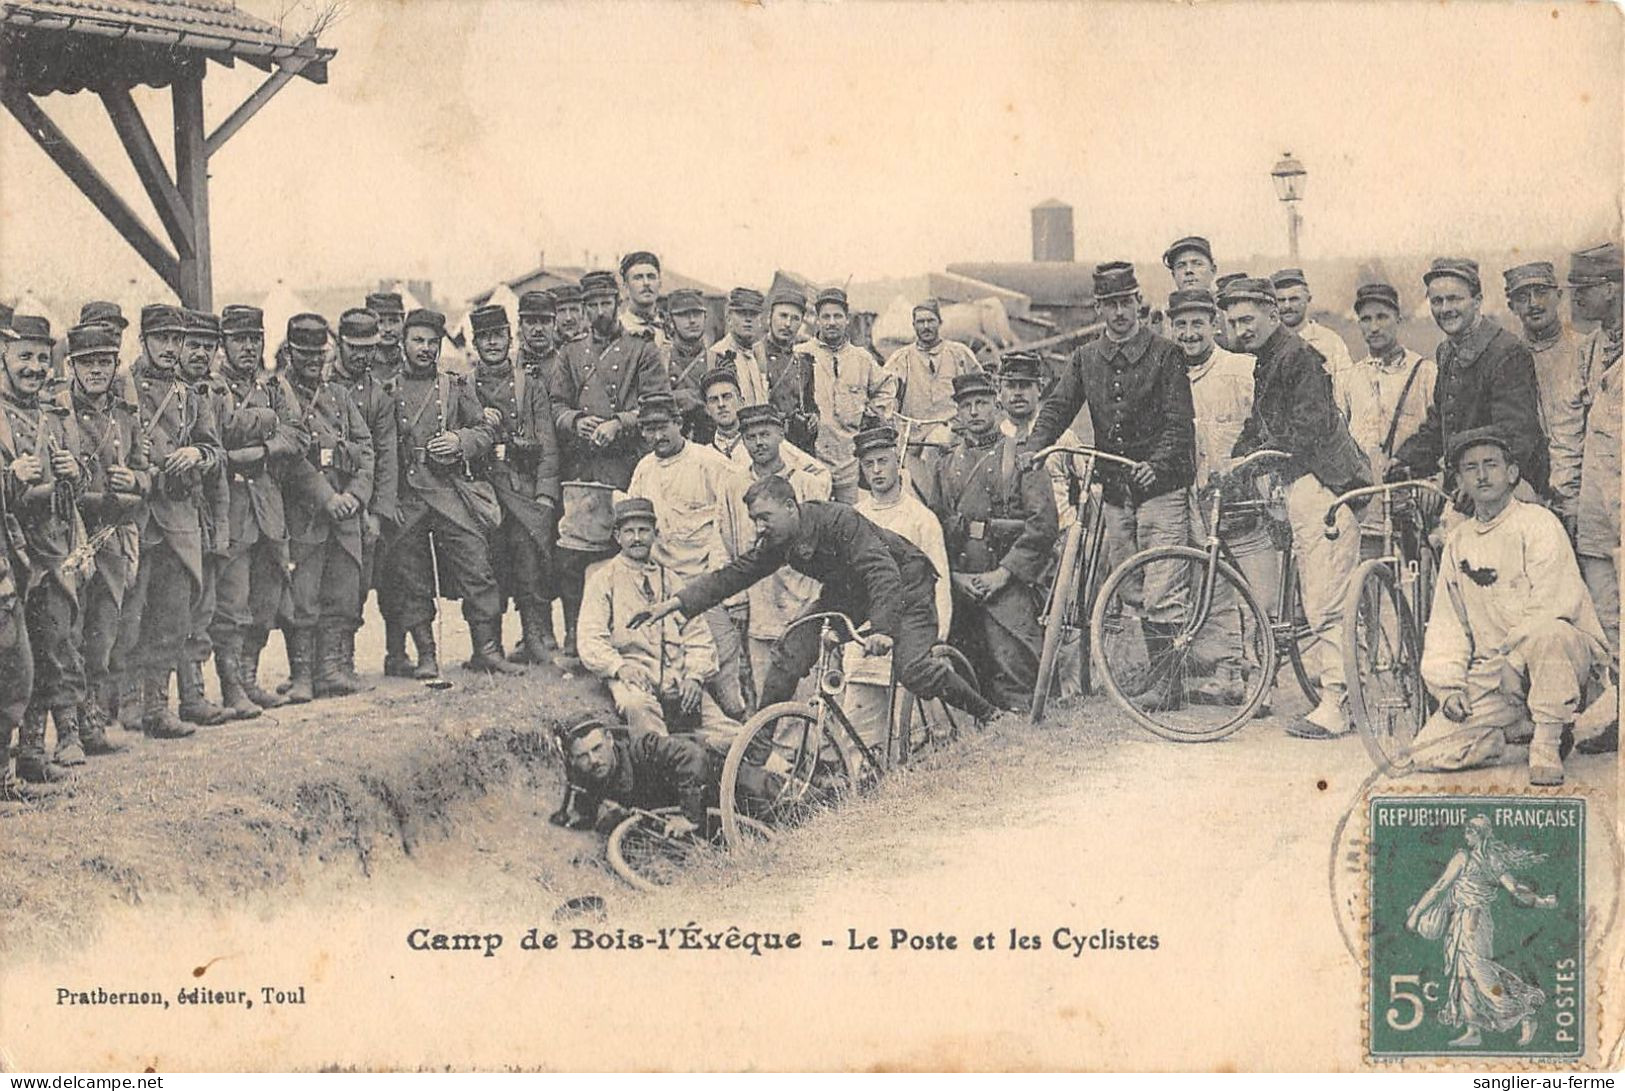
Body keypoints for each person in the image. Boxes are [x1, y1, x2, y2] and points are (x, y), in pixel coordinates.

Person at [633, 475, 998, 721]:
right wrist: (677, 602)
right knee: (789, 653)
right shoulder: (778, 539)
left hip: (905, 586)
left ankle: (986, 713)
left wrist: (883, 629)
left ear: (791, 507)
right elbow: (735, 574)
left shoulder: (839, 520)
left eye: (764, 517)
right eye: (754, 520)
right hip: (850, 595)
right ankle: (758, 744)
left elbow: (882, 572)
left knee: (913, 670)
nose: (759, 527)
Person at [1029, 261, 1196, 710]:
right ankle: (1160, 673)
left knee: (1164, 584)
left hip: (1161, 490)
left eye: (1126, 302)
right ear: (1098, 309)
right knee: (1132, 586)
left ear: (1139, 303)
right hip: (1117, 493)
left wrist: (1158, 465)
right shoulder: (1086, 359)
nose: (1120, 312)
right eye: (1110, 304)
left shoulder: (1166, 355)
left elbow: (1180, 426)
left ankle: (1168, 684)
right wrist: (1035, 446)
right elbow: (1058, 407)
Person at [1220, 276, 1371, 739]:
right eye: (1232, 322)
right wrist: (1234, 465)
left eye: (1248, 319)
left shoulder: (1299, 357)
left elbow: (1307, 427)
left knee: (1325, 599)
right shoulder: (1269, 360)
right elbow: (1258, 424)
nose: (1240, 328)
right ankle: (1339, 692)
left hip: (1326, 486)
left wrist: (1257, 458)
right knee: (1317, 593)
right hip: (1300, 486)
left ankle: (1337, 703)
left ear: (1272, 313)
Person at [1412, 427, 1606, 786]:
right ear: (1460, 481)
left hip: (1555, 662)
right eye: (1471, 468)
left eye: (1491, 464)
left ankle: (1547, 741)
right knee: (1428, 753)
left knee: (1550, 634)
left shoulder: (1538, 523)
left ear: (1512, 473)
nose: (1482, 475)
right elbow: (1449, 622)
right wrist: (1450, 687)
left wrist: (1515, 661)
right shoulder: (1459, 541)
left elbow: (1554, 603)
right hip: (1494, 676)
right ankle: (1519, 737)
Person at [547, 270, 670, 667]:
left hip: (625, 466)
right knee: (573, 558)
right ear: (583, 310)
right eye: (592, 305)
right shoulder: (569, 354)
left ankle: (626, 638)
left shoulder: (642, 350)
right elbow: (555, 405)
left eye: (606, 303)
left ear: (618, 303)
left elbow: (656, 404)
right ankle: (574, 637)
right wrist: (573, 420)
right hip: (583, 470)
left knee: (624, 553)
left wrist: (621, 422)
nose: (600, 312)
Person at [388, 307, 513, 676]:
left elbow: (485, 432)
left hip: (451, 492)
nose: (425, 349)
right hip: (409, 496)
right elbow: (381, 450)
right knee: (411, 576)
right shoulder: (388, 391)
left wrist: (459, 441)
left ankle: (486, 650)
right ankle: (426, 654)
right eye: (418, 341)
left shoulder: (454, 386)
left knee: (476, 565)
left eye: (432, 342)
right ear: (403, 343)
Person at [119, 304, 224, 739]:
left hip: (179, 519)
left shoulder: (189, 394)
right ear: (144, 341)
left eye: (176, 340)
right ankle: (124, 702)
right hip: (137, 516)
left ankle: (157, 708)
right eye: (161, 338)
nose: (170, 348)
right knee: (127, 615)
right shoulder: (120, 387)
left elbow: (214, 451)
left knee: (173, 615)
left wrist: (197, 454)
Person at [924, 371, 1057, 711]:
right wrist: (954, 577)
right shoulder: (945, 465)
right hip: (963, 580)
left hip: (1010, 579)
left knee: (1017, 668)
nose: (973, 412)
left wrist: (1003, 574)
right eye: (966, 405)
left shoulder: (1022, 456)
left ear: (997, 407)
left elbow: (1042, 525)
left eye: (981, 403)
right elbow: (934, 527)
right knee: (961, 664)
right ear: (957, 413)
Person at [1166, 288, 1271, 707]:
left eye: (1197, 324)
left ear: (1215, 325)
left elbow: (1264, 424)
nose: (1190, 334)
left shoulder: (1242, 368)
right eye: (1181, 325)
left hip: (1244, 495)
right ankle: (1229, 673)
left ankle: (1264, 677)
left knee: (1256, 589)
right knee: (1214, 585)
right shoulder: (1169, 373)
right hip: (1195, 496)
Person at [627, 392, 750, 720]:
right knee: (677, 671)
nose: (657, 436)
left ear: (680, 424)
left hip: (707, 585)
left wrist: (726, 582)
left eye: (663, 426)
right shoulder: (644, 469)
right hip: (666, 588)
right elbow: (635, 526)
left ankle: (744, 735)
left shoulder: (709, 463)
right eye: (649, 429)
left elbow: (734, 519)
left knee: (725, 671)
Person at [209, 304, 306, 717]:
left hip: (267, 501)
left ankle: (249, 679)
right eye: (238, 339)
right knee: (232, 602)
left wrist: (263, 448)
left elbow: (297, 434)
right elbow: (221, 430)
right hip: (230, 504)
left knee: (267, 598)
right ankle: (231, 688)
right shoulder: (211, 388)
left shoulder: (273, 386)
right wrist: (265, 422)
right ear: (223, 344)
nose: (248, 347)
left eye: (254, 339)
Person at [1393, 258, 1549, 515]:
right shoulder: (1446, 351)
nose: (1445, 309)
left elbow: (1516, 433)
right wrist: (1405, 457)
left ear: (1477, 301)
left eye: (1455, 299)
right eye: (1437, 301)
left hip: (1503, 489)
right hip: (1464, 484)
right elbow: (1441, 420)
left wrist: (1475, 477)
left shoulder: (1506, 351)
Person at [2, 315, 88, 775]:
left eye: (41, 358)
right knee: (13, 656)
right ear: (5, 357)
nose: (34, 367)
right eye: (24, 357)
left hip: (52, 548)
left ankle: (33, 753)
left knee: (49, 644)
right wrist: (12, 479)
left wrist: (75, 474)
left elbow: (76, 476)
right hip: (13, 551)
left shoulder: (55, 416)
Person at [279, 313, 376, 701]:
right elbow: (290, 457)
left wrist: (354, 495)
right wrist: (326, 497)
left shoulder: (338, 395)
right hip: (306, 513)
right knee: (303, 595)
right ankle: (301, 675)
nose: (313, 364)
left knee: (342, 590)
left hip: (345, 513)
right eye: (305, 356)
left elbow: (366, 450)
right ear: (289, 352)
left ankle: (331, 670)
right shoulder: (279, 393)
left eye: (319, 356)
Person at [59, 322, 145, 759]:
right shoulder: (58, 413)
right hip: (70, 535)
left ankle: (92, 721)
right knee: (67, 630)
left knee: (103, 629)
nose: (97, 371)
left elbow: (146, 469)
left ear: (116, 365)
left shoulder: (125, 416)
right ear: (72, 366)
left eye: (105, 362)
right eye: (88, 362)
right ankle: (69, 730)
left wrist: (135, 481)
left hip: (110, 537)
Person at [577, 498, 730, 735]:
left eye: (643, 531)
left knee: (729, 736)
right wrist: (619, 667)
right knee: (639, 710)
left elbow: (697, 634)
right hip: (633, 678)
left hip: (677, 679)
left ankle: (779, 770)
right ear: (618, 536)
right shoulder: (604, 579)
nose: (637, 538)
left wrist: (695, 676)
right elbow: (590, 639)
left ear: (655, 534)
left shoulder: (671, 580)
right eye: (629, 532)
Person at [1405, 814, 1556, 1049]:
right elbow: (1515, 889)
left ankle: (1525, 1011)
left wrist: (1416, 915)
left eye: (1469, 831)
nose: (1465, 835)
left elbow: (1439, 887)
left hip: (1473, 923)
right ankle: (1473, 1029)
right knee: (1463, 973)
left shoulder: (1466, 858)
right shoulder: (1488, 858)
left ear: (1478, 834)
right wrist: (1542, 902)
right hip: (1467, 920)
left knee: (1480, 973)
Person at [468, 303, 562, 666]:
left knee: (529, 565)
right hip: (482, 491)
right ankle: (487, 646)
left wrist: (545, 494)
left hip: (522, 490)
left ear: (511, 338)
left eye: (498, 335)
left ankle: (534, 637)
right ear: (475, 343)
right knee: (485, 567)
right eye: (484, 337)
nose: (492, 343)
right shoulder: (464, 386)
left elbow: (548, 445)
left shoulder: (530, 384)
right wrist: (478, 419)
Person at [734, 403, 831, 687]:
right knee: (766, 690)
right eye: (750, 437)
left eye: (765, 434)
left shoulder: (807, 485)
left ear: (780, 434)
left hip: (804, 602)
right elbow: (724, 539)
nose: (759, 443)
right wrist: (737, 602)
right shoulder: (733, 484)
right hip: (760, 603)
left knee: (805, 690)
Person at [1570, 241, 1622, 754]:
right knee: (1607, 617)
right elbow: (1573, 428)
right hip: (1596, 510)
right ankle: (1618, 715)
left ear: (1610, 288)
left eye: (1583, 289)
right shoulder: (1588, 350)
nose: (1577, 300)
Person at [330, 308, 402, 681]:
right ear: (339, 343)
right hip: (320, 500)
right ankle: (312, 669)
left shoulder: (378, 397)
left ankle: (344, 660)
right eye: (354, 347)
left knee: (354, 584)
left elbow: (387, 457)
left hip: (360, 504)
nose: (362, 356)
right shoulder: (320, 383)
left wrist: (376, 513)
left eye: (369, 349)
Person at [1341, 283, 1437, 557]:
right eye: (1366, 319)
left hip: (1411, 494)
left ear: (1398, 319)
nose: (1374, 327)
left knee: (1415, 579)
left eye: (1382, 317)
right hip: (1366, 501)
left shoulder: (1425, 372)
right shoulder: (1350, 378)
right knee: (1368, 577)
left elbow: (1440, 431)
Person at [175, 309, 235, 725]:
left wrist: (202, 454)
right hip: (155, 516)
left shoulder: (199, 395)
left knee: (201, 604)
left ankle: (193, 694)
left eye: (207, 347)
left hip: (198, 513)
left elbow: (216, 455)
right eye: (192, 345)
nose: (200, 353)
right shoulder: (144, 390)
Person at [1505, 262, 1587, 531]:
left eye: (1541, 292)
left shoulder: (1586, 350)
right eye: (1522, 297)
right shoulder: (1506, 358)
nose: (1533, 304)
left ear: (1559, 296)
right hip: (1527, 495)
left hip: (1586, 494)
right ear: (1511, 306)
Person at [852, 426, 950, 642]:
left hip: (909, 626)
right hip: (863, 629)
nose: (876, 470)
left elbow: (939, 580)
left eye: (883, 461)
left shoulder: (921, 518)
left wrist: (939, 634)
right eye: (869, 464)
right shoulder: (855, 516)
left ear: (897, 462)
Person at [801, 287, 899, 502]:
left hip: (849, 458)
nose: (832, 322)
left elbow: (887, 384)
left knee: (849, 520)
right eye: (825, 316)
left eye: (838, 316)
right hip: (813, 457)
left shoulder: (861, 358)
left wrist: (874, 413)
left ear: (847, 320)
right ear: (817, 320)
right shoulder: (802, 354)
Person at [549, 715, 717, 840]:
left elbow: (692, 756)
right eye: (583, 756)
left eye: (597, 748)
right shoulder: (584, 771)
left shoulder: (643, 749)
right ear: (573, 758)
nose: (593, 760)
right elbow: (582, 805)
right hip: (692, 819)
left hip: (722, 789)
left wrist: (691, 817)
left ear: (610, 739)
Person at [884, 299, 982, 483]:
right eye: (921, 322)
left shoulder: (959, 354)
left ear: (940, 322)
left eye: (931, 320)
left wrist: (968, 420)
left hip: (953, 433)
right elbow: (884, 391)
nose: (926, 326)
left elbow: (980, 388)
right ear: (913, 326)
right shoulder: (901, 358)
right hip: (912, 435)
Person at [1270, 268, 1356, 403]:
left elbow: (1347, 392)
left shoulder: (1330, 342)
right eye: (1281, 300)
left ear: (1308, 299)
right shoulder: (1268, 344)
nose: (1287, 306)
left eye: (1294, 299)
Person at [757, 286, 819, 455]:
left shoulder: (803, 362)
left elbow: (809, 403)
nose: (787, 324)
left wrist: (813, 417)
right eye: (783, 316)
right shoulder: (754, 356)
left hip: (795, 446)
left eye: (795, 318)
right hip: (762, 444)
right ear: (770, 317)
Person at [704, 287, 771, 406]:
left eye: (753, 314)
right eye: (741, 313)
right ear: (729, 317)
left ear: (760, 320)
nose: (748, 319)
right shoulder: (718, 354)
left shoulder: (756, 354)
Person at [664, 288, 715, 440]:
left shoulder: (716, 359)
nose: (692, 320)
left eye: (697, 314)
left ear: (705, 317)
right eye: (684, 315)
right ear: (671, 320)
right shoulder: (660, 358)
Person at [617, 251, 669, 348]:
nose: (646, 283)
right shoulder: (618, 329)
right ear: (625, 286)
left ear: (660, 283)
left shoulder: (671, 328)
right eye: (638, 278)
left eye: (651, 277)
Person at [515, 290, 560, 383]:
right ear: (520, 325)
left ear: (555, 324)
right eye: (531, 322)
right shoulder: (511, 365)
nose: (538, 328)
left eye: (545, 321)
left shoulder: (565, 364)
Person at [365, 291, 407, 382]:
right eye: (380, 322)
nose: (388, 329)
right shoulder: (360, 366)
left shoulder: (411, 364)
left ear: (403, 323)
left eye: (394, 321)